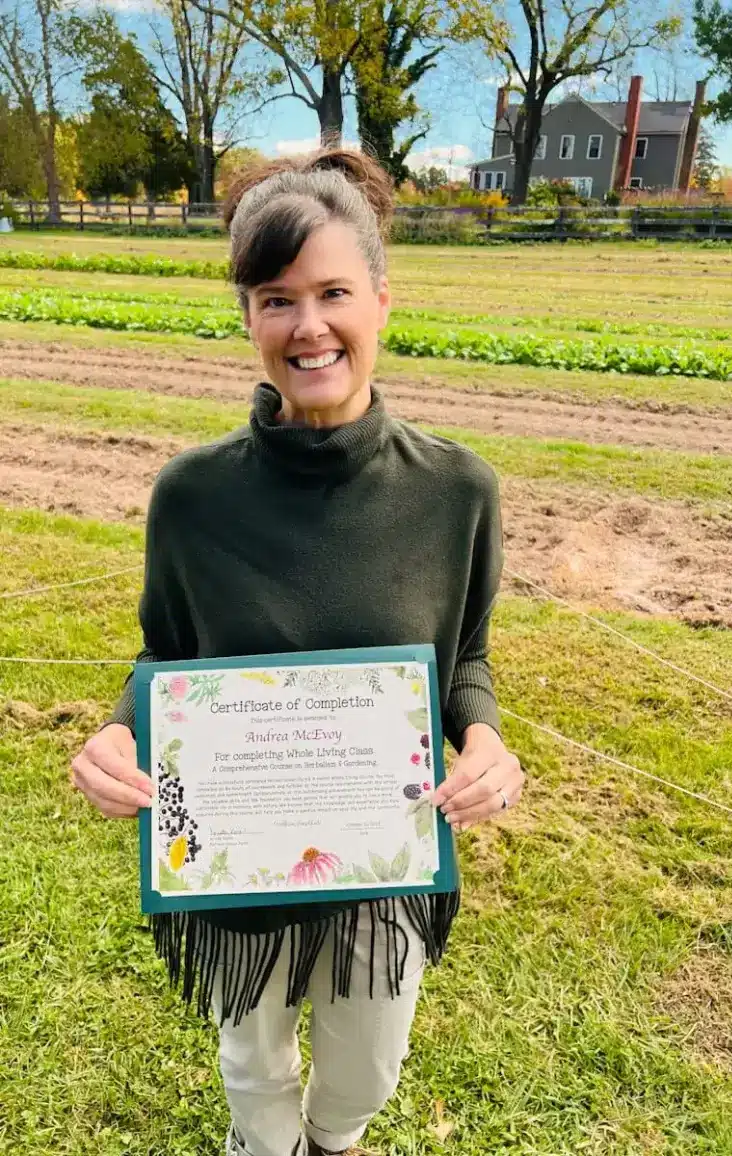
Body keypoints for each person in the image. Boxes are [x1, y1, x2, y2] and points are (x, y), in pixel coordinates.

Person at [71, 149, 525, 1156]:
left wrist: (485, 740)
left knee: (367, 1065)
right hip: (240, 863)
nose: (307, 326)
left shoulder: (457, 492)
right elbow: (165, 653)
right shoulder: (192, 496)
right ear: (248, 319)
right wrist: (115, 727)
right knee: (252, 1063)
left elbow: (464, 662)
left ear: (381, 303)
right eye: (277, 299)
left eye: (332, 293)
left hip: (385, 857)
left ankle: (334, 1141)